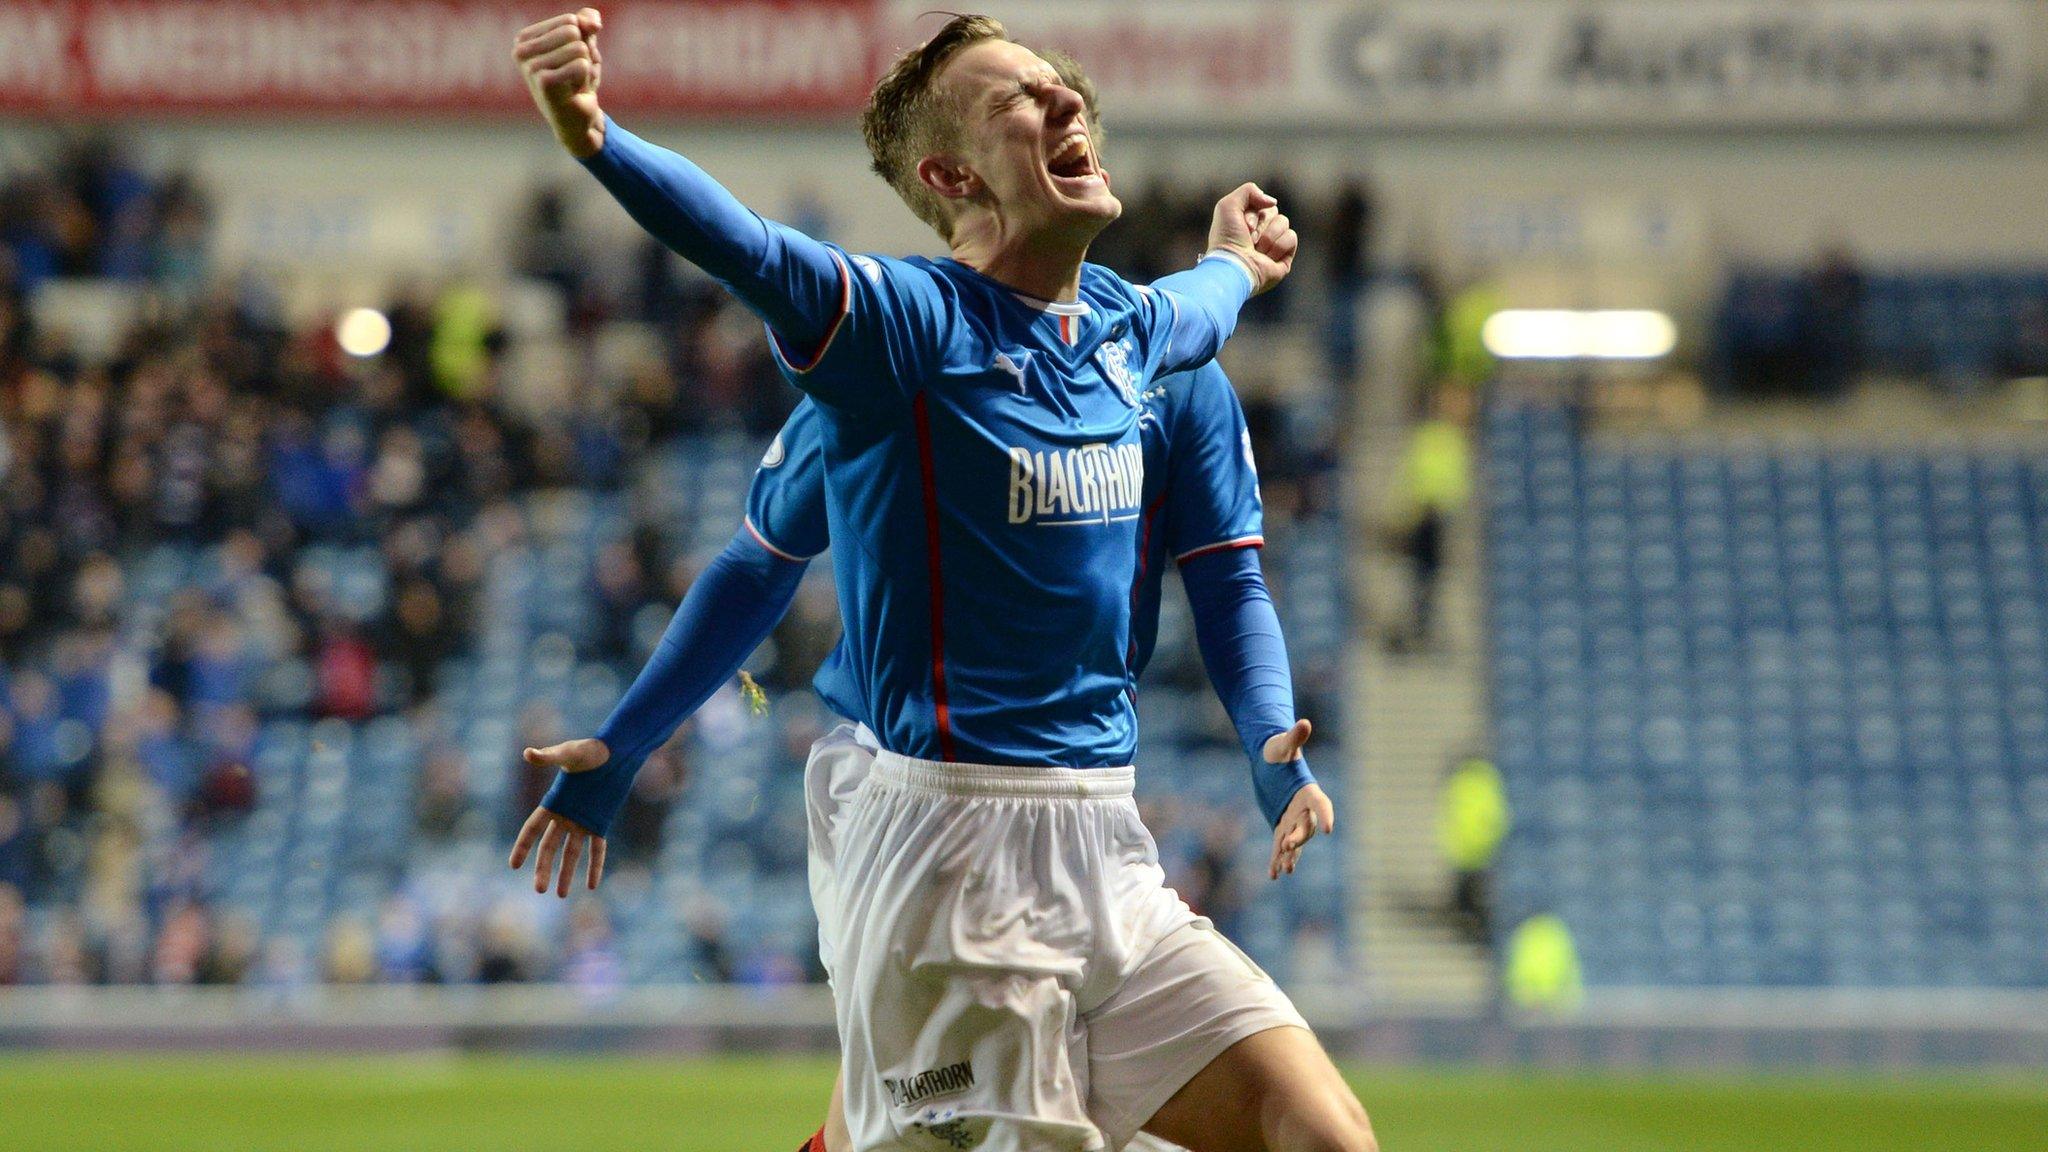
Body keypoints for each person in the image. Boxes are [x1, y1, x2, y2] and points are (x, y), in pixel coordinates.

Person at [508, 12, 1370, 1152]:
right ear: (950, 172)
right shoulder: (899, 335)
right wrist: (596, 138)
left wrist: (1232, 261)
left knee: (1318, 1133)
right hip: (940, 839)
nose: (1064, 100)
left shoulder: (1129, 333)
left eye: (1059, 86)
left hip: (1105, 838)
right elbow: (750, 257)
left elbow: (1204, 318)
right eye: (1015, 100)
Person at [521, 359, 1305, 1151]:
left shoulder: (1170, 367)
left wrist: (1272, 749)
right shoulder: (897, 343)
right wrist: (623, 746)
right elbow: (760, 559)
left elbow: (1232, 581)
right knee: (941, 1130)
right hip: (917, 806)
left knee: (1316, 1133)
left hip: (1093, 813)